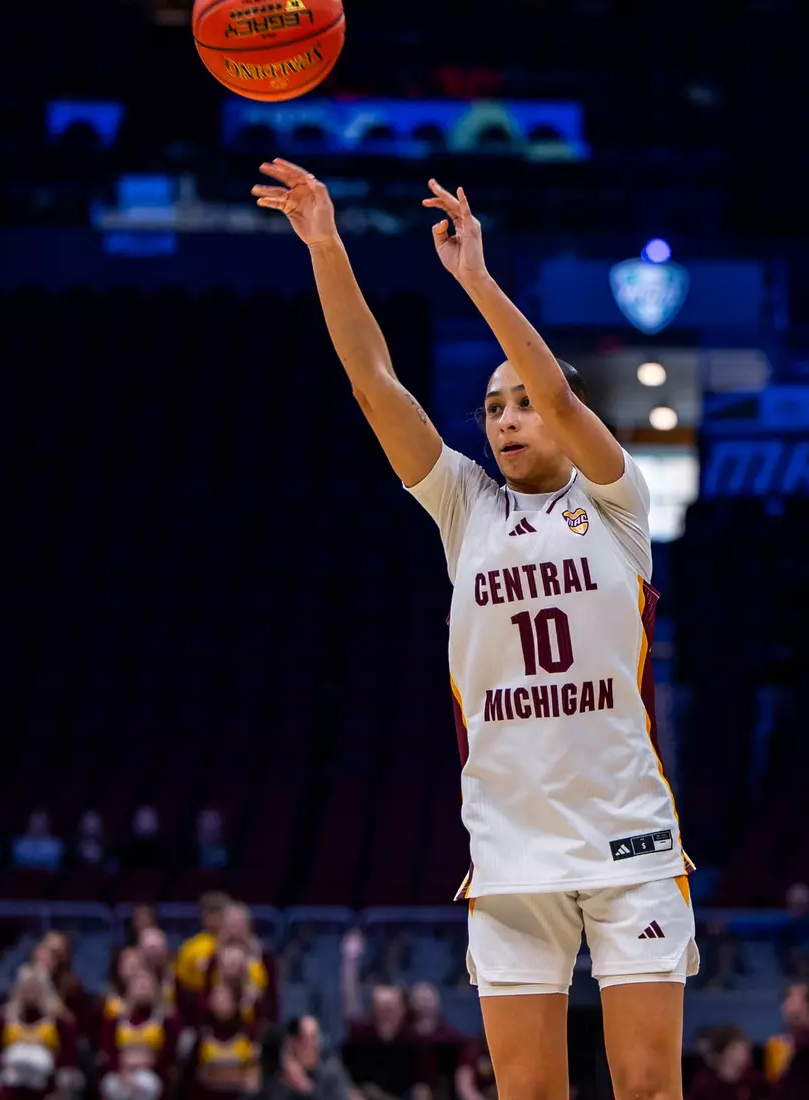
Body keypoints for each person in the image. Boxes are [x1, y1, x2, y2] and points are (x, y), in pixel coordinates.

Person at [252, 158, 699, 1100]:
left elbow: (569, 399)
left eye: (522, 401)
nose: (504, 417)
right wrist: (329, 246)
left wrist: (477, 280)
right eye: (491, 406)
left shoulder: (618, 502)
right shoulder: (466, 509)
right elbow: (375, 383)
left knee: (652, 1090)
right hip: (511, 850)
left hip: (629, 843)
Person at [0, 966, 79, 1100]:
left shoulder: (58, 1021)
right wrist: (3, 1061)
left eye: (36, 988)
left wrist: (52, 1065)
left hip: (46, 1084)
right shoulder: (5, 1017)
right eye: (28, 988)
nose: (32, 993)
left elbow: (70, 1054)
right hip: (11, 1083)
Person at [99, 969, 179, 1100]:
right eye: (138, 984)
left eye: (147, 984)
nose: (142, 987)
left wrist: (146, 1063)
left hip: (153, 1074)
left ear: (155, 989)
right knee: (112, 1086)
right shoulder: (115, 1020)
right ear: (129, 988)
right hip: (120, 1073)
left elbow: (169, 1055)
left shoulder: (166, 1021)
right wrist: (122, 1070)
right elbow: (107, 1051)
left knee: (146, 1084)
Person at [182, 982, 259, 1100]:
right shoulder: (202, 1034)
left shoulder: (248, 1034)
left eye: (225, 998)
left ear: (235, 1003)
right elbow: (193, 1075)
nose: (220, 1002)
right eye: (216, 997)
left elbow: (254, 1075)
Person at [686, 1026, 768, 1100]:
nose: (744, 1051)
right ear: (724, 1050)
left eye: (745, 1046)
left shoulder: (754, 1079)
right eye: (737, 1047)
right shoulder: (704, 1083)